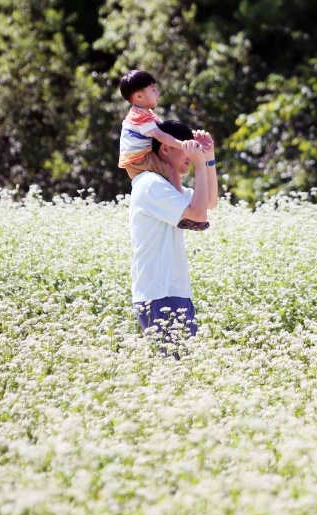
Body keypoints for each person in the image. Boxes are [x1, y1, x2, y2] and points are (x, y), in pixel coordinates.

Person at [129, 119, 218, 358]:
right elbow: (198, 214)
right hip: (160, 294)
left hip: (174, 292)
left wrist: (208, 158)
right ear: (166, 148)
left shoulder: (168, 187)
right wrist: (199, 166)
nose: (191, 153)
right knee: (178, 371)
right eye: (185, 146)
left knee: (183, 373)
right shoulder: (151, 185)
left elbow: (209, 202)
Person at [118, 69, 208, 231]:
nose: (157, 92)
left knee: (170, 173)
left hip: (140, 158)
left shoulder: (146, 114)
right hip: (139, 161)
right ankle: (186, 213)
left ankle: (183, 208)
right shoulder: (140, 116)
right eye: (153, 89)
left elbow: (165, 129)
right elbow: (162, 137)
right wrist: (183, 145)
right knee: (172, 172)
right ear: (139, 96)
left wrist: (185, 136)